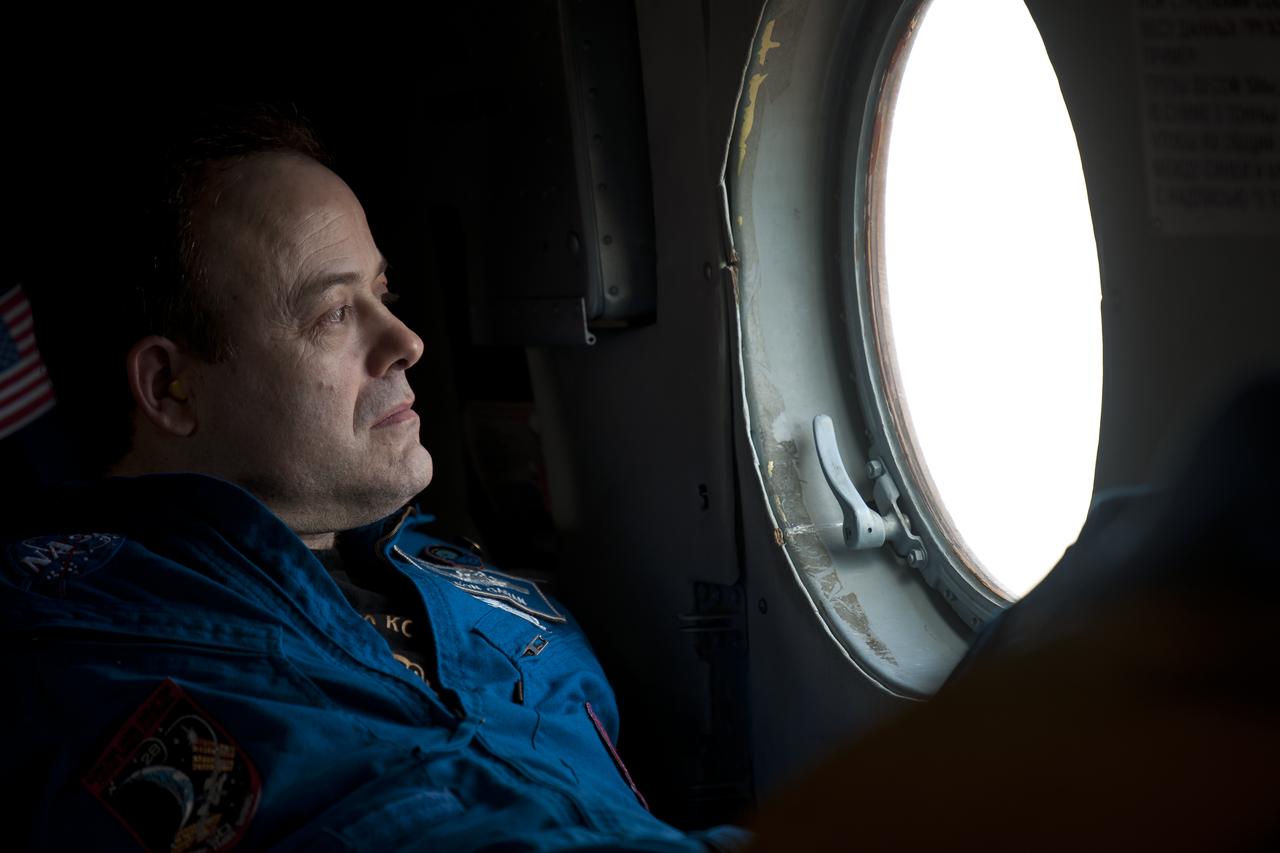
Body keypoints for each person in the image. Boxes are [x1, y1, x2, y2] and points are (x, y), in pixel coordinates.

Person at [1, 107, 749, 852]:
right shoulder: (77, 662)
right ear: (171, 388)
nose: (407, 341)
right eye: (333, 314)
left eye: (380, 294)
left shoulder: (450, 567)